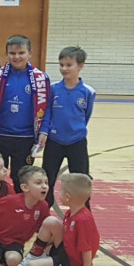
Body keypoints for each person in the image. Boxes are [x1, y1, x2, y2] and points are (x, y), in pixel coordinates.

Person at [0, 35, 50, 192]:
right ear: (6, 54)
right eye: (12, 53)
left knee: (22, 178)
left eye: (21, 53)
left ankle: (21, 205)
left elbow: (47, 108)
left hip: (26, 138)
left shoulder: (41, 79)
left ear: (30, 53)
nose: (16, 57)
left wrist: (44, 131)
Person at [39, 46, 96, 206]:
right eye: (61, 64)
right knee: (47, 178)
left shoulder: (88, 92)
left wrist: (76, 130)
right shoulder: (53, 89)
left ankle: (84, 213)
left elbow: (86, 115)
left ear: (80, 66)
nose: (64, 68)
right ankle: (43, 211)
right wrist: (45, 131)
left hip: (77, 142)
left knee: (81, 180)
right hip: (54, 141)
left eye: (69, 65)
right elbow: (48, 112)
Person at [23, 173, 99, 266]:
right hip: (67, 249)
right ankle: (35, 255)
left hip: (72, 262)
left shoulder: (83, 220)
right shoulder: (72, 212)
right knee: (51, 221)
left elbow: (87, 249)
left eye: (61, 191)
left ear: (67, 197)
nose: (58, 194)